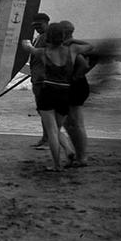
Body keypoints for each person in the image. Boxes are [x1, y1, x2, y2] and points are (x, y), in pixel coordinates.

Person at [20, 24, 92, 171]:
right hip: (64, 92)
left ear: (49, 38)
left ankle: (57, 165)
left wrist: (25, 42)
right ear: (63, 37)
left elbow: (29, 49)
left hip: (48, 91)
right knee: (57, 128)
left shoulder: (44, 52)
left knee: (52, 131)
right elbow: (90, 46)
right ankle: (70, 153)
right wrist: (73, 41)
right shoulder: (73, 50)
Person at [60, 20, 97, 166]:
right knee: (70, 123)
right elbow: (86, 64)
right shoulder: (70, 46)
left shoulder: (71, 46)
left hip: (75, 87)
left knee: (75, 123)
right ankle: (79, 155)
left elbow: (85, 62)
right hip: (74, 86)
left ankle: (82, 157)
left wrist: (75, 76)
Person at [28, 13, 50, 149]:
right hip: (37, 78)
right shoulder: (39, 37)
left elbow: (48, 55)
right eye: (35, 26)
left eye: (39, 25)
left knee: (46, 110)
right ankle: (45, 137)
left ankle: (48, 139)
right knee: (42, 110)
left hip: (44, 79)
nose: (37, 28)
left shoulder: (48, 37)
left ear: (47, 23)